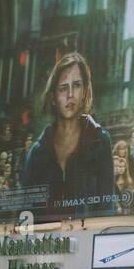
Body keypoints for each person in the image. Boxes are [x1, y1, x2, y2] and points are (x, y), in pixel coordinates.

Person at [20, 52, 114, 218]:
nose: (70, 94)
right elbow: (25, 214)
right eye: (63, 88)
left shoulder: (100, 142)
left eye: (77, 85)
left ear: (84, 92)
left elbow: (107, 208)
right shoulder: (37, 152)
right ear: (53, 98)